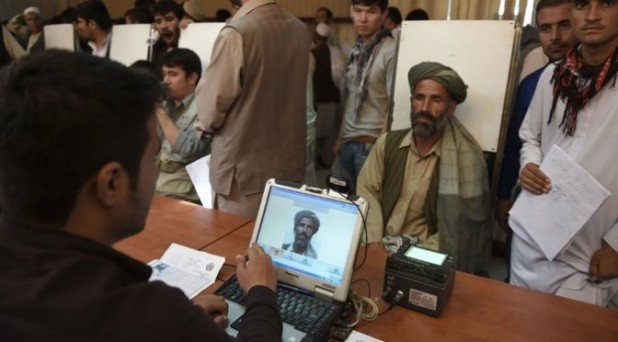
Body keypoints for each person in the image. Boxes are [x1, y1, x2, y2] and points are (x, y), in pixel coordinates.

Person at [0, 50, 281, 340]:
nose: (155, 173)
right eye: (151, 159)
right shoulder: (148, 317)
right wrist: (261, 294)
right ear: (111, 184)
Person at [510, 0, 618, 306]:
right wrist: (529, 165)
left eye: (607, 3)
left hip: (592, 257)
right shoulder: (553, 76)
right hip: (532, 240)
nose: (593, 15)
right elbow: (530, 135)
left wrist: (616, 244)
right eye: (583, 4)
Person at [357, 62, 491, 274]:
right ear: (412, 101)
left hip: (425, 259)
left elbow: (458, 230)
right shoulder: (388, 144)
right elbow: (367, 193)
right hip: (376, 249)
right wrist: (374, 244)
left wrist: (407, 257)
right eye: (419, 98)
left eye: (436, 100)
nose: (424, 108)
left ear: (451, 107)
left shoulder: (466, 161)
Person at [196, 0, 309, 219]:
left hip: (243, 174)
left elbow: (211, 109)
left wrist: (201, 130)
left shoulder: (237, 32)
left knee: (235, 246)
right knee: (276, 244)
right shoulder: (299, 29)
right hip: (289, 167)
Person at [495, 0, 578, 281]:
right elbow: (517, 142)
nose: (555, 37)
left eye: (563, 25)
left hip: (580, 216)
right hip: (528, 197)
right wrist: (503, 196)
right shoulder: (533, 83)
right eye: (545, 28)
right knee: (515, 285)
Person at [333, 0, 396, 191]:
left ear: (384, 14)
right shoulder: (356, 49)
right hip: (348, 142)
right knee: (343, 207)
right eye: (358, 11)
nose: (362, 18)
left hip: (371, 145)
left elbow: (393, 104)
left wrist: (381, 150)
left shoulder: (390, 50)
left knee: (367, 211)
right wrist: (339, 139)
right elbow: (351, 97)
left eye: (370, 12)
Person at [156, 48, 210, 202]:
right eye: (164, 74)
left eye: (172, 74)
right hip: (156, 186)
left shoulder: (205, 108)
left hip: (183, 193)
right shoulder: (164, 103)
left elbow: (189, 149)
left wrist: (159, 113)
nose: (166, 81)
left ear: (192, 78)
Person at [312, 22, 343, 169]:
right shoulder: (337, 52)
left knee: (317, 136)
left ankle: (317, 163)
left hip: (320, 101)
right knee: (330, 135)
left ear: (316, 37)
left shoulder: (313, 54)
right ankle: (327, 161)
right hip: (335, 100)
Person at [151, 0, 183, 74]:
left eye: (169, 19)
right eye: (158, 21)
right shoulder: (156, 48)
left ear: (180, 21)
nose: (163, 26)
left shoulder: (192, 42)